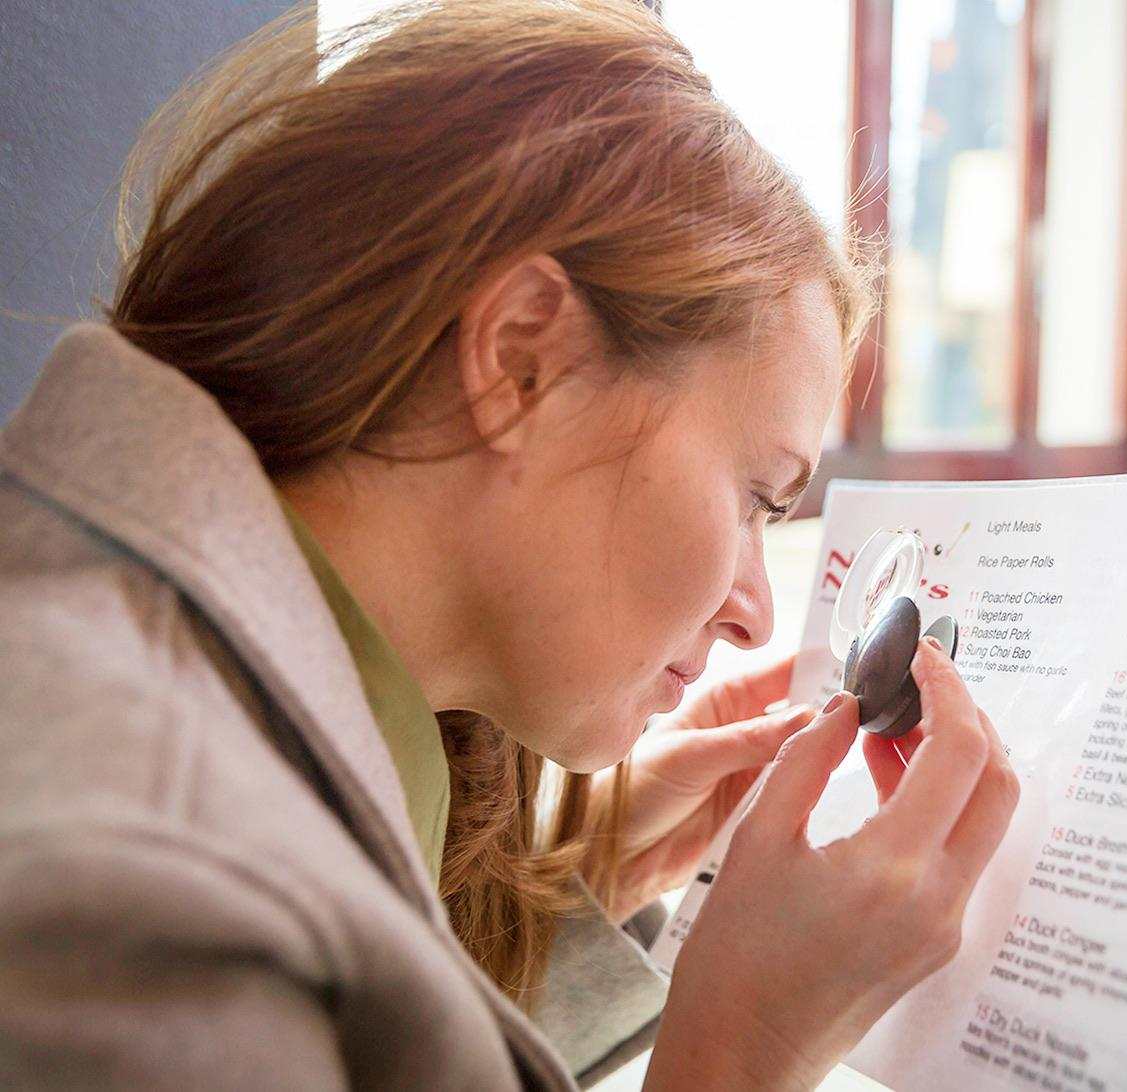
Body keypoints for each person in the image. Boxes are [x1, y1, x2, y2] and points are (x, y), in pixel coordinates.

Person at [0, 3, 1021, 1088]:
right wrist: (745, 1049)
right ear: (521, 359)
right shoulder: (149, 889)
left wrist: (562, 900)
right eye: (754, 496)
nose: (751, 610)